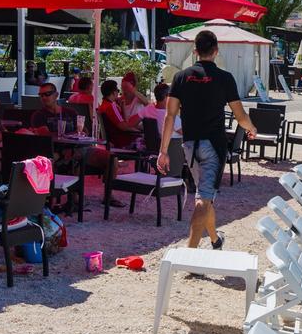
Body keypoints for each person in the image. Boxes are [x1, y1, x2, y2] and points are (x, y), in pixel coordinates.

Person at [158, 29, 256, 250]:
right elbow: (240, 116)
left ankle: (214, 240)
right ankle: (190, 254)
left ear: (195, 51)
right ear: (216, 51)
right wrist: (252, 129)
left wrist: (163, 151)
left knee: (206, 195)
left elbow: (170, 115)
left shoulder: (181, 77)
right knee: (203, 199)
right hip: (213, 145)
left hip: (189, 145)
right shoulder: (225, 78)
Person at [98, 79, 143, 150]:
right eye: (118, 91)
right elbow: (124, 127)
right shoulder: (111, 106)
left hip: (112, 140)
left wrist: (122, 108)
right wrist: (138, 131)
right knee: (146, 140)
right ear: (113, 92)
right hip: (120, 142)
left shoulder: (103, 105)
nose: (118, 93)